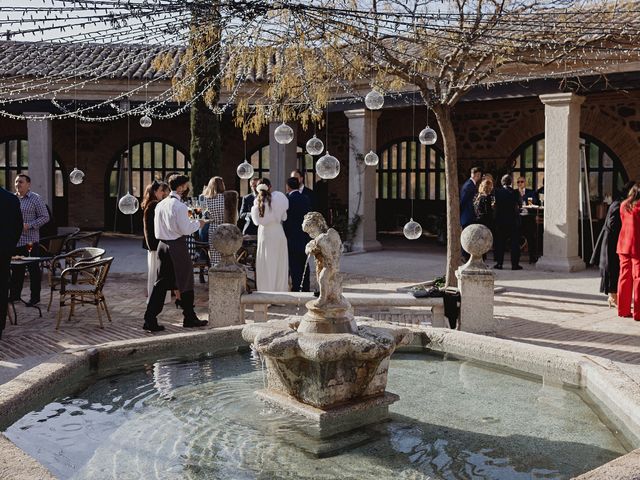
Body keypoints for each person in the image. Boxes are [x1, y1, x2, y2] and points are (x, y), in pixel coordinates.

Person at [143, 174, 208, 331]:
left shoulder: (161, 204)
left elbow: (184, 219)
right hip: (176, 246)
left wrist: (196, 214)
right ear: (180, 187)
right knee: (185, 281)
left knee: (161, 284)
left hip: (162, 246)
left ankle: (150, 319)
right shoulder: (179, 206)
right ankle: (189, 317)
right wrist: (200, 223)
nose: (187, 188)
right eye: (186, 185)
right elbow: (186, 228)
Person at [591, 181, 635, 308]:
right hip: (611, 242)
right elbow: (612, 225)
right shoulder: (618, 204)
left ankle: (614, 297)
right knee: (611, 268)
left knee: (615, 269)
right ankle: (612, 297)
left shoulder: (622, 203)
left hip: (615, 241)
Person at [9, 174, 50, 306]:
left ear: (28, 184)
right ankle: (15, 295)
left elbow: (45, 217)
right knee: (16, 271)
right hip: (15, 241)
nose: (17, 184)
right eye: (16, 182)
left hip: (30, 242)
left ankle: (35, 297)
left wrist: (30, 225)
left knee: (33, 271)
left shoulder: (35, 199)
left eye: (20, 182)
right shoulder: (12, 199)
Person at [251, 178, 289, 291]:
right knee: (280, 264)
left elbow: (256, 222)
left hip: (265, 233)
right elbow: (284, 217)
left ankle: (266, 295)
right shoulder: (279, 198)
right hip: (278, 232)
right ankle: (280, 295)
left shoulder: (256, 203)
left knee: (265, 264)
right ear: (270, 187)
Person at [142, 180, 171, 304]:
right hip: (155, 244)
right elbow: (150, 228)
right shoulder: (154, 205)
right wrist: (154, 245)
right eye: (160, 191)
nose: (163, 193)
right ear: (155, 192)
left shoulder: (152, 204)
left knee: (156, 272)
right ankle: (156, 299)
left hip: (154, 244)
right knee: (156, 272)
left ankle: (158, 298)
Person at [0, 186, 23, 340]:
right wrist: (9, 247)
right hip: (3, 252)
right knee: (1, 288)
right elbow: (18, 226)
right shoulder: (11, 198)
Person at [616, 183, 640, 321]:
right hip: (637, 246)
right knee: (638, 278)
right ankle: (638, 312)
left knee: (624, 277)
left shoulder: (624, 204)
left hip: (623, 245)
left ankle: (623, 310)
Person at [284, 177, 311, 291]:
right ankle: (306, 287)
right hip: (304, 235)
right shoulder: (306, 198)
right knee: (305, 262)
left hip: (292, 235)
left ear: (288, 187)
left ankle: (296, 287)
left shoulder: (288, 200)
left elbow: (286, 220)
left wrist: (285, 234)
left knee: (294, 264)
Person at [493, 174, 522, 270]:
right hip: (513, 221)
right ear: (511, 182)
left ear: (502, 182)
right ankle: (514, 265)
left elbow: (494, 205)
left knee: (500, 243)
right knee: (514, 243)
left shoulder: (497, 192)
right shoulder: (515, 192)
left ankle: (499, 263)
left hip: (500, 221)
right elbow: (520, 205)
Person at [203, 176, 226, 266]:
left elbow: (204, 216)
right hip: (227, 228)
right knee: (228, 254)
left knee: (214, 255)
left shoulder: (206, 199)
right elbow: (236, 215)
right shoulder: (227, 197)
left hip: (213, 228)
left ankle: (215, 276)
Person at [516, 176, 540, 263]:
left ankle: (532, 257)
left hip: (528, 217)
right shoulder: (515, 192)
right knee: (517, 238)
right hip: (518, 217)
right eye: (518, 182)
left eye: (521, 182)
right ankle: (516, 258)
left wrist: (524, 197)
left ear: (525, 183)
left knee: (531, 238)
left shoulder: (531, 192)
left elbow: (537, 202)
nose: (520, 183)